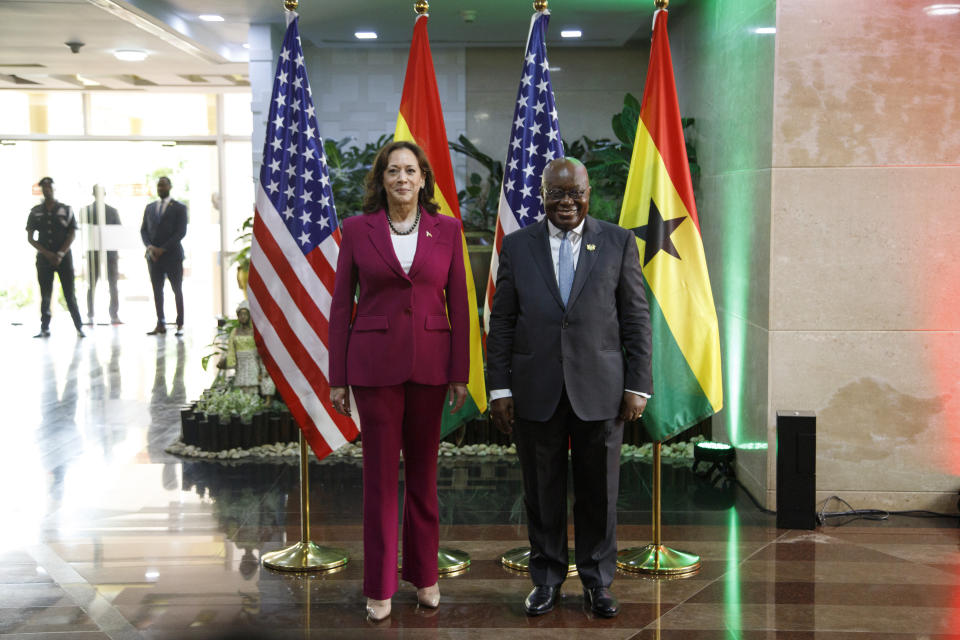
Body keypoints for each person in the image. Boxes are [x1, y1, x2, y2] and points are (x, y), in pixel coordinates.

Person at [486, 158, 653, 619]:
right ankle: (546, 579)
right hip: (536, 388)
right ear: (542, 195)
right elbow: (501, 323)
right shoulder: (519, 246)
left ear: (588, 193)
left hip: (600, 390)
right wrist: (499, 389)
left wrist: (639, 384)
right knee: (542, 491)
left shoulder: (618, 242)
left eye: (574, 193)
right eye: (556, 193)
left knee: (600, 491)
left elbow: (636, 319)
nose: (566, 202)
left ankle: (598, 583)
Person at [328, 141, 470, 622]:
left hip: (431, 368)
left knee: (424, 479)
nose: (402, 178)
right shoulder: (356, 230)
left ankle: (425, 575)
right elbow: (340, 307)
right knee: (380, 482)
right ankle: (380, 586)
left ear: (424, 179)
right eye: (393, 171)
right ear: (381, 179)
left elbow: (460, 305)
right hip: (373, 370)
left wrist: (460, 372)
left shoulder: (447, 230)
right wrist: (338, 377)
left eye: (411, 170)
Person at [26, 177, 85, 338]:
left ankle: (79, 326)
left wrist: (59, 254)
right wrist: (47, 253)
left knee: (69, 294)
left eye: (49, 187)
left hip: (64, 258)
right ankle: (45, 327)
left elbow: (72, 233)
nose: (47, 190)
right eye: (44, 188)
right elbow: (30, 238)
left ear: (54, 188)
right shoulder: (36, 211)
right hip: (44, 260)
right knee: (45, 294)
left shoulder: (66, 209)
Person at [140, 176, 187, 336]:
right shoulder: (150, 207)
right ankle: (160, 323)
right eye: (158, 186)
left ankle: (180, 324)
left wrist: (163, 249)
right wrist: (150, 247)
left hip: (172, 256)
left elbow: (181, 232)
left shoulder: (179, 208)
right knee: (157, 291)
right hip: (153, 258)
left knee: (177, 290)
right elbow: (143, 230)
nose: (160, 188)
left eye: (163, 185)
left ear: (170, 186)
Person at [82, 186, 122, 324]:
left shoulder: (112, 211)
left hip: (110, 253)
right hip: (93, 253)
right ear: (93, 193)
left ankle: (114, 315)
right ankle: (90, 314)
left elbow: (118, 232)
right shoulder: (86, 211)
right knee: (91, 284)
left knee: (113, 284)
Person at [222, 300, 275, 397]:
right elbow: (231, 350)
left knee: (253, 388)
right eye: (240, 315)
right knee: (241, 390)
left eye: (245, 314)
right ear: (238, 316)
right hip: (240, 364)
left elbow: (261, 351)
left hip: (253, 363)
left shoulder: (254, 332)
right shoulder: (235, 332)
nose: (243, 317)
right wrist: (230, 362)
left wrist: (262, 368)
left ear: (249, 316)